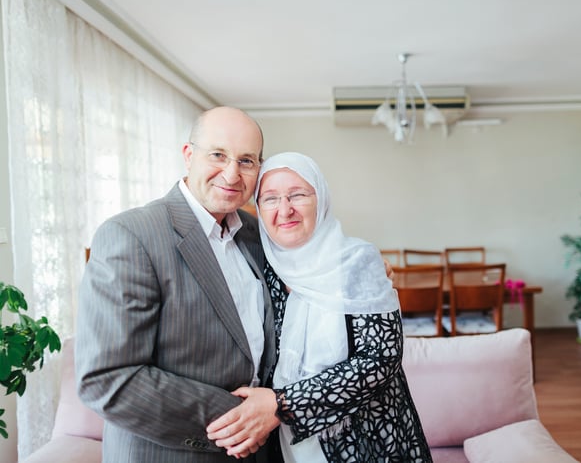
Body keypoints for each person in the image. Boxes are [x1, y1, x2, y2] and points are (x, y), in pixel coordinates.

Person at [75, 106, 282, 463]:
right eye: (218, 155)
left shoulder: (256, 235)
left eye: (246, 161)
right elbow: (107, 379)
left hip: (260, 450)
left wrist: (363, 271)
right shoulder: (130, 235)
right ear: (189, 156)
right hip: (170, 453)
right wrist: (243, 417)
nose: (232, 173)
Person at [206, 152, 432, 462]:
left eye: (298, 195)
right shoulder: (261, 268)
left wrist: (283, 404)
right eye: (270, 199)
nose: (285, 210)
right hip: (285, 443)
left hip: (366, 440)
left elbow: (380, 359)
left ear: (321, 199)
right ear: (258, 209)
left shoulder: (357, 260)